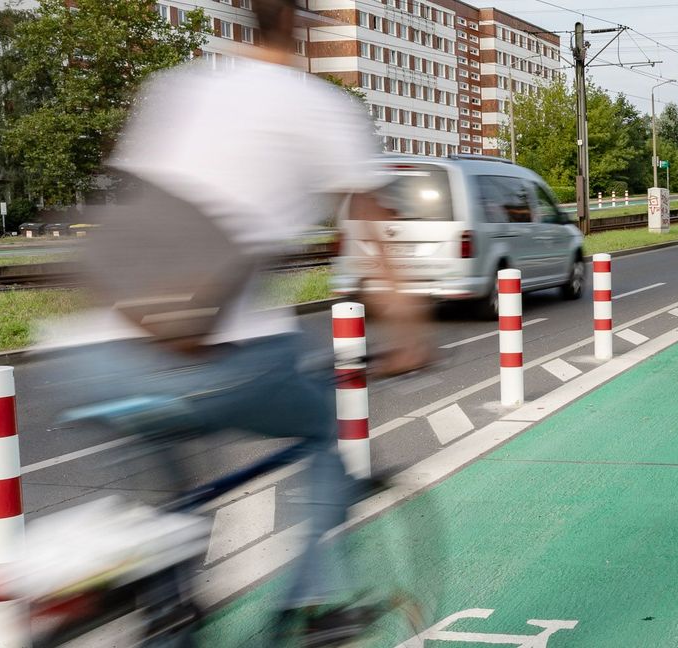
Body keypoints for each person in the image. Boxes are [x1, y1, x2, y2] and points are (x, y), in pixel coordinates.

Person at [39, 0, 427, 642]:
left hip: (90, 354)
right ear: (300, 22)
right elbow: (372, 235)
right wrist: (410, 336)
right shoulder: (325, 107)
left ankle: (164, 609)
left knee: (170, 521)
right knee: (323, 431)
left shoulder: (177, 87)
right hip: (213, 353)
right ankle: (315, 604)